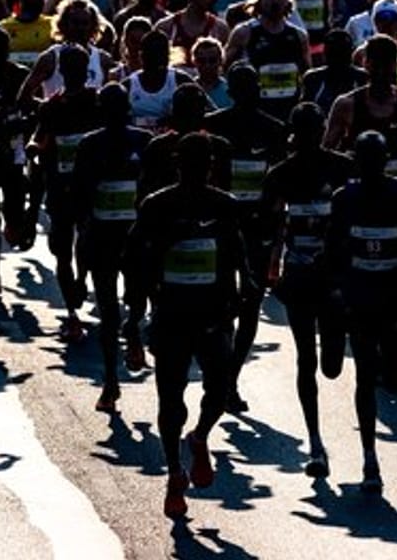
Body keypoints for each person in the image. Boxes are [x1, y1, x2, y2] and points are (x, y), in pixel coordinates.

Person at [125, 132, 255, 520]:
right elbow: (133, 259)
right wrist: (134, 318)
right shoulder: (156, 205)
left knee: (219, 389)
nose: (199, 171)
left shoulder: (225, 205)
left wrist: (247, 282)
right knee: (170, 398)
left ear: (211, 168)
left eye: (205, 165)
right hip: (171, 314)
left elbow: (236, 250)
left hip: (215, 314)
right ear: (178, 165)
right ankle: (173, 472)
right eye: (191, 165)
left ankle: (199, 437)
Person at [328, 130, 397, 492]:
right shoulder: (344, 198)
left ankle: (396, 360)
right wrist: (337, 291)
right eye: (365, 160)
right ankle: (369, 456)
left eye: (377, 160)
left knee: (393, 379)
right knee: (365, 376)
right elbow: (333, 245)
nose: (371, 166)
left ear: (387, 161)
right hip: (360, 296)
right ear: (357, 161)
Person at [261, 101, 354, 476]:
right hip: (298, 274)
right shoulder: (281, 174)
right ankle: (315, 444)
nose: (309, 141)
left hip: (334, 276)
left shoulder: (343, 167)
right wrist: (271, 267)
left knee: (332, 365)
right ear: (294, 137)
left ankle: (333, 342)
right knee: (305, 359)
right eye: (303, 136)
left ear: (323, 133)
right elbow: (268, 224)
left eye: (315, 134)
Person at [205, 64, 288, 412]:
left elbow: (280, 188)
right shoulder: (212, 127)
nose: (248, 92)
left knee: (251, 305)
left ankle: (231, 380)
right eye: (241, 86)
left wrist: (278, 241)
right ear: (233, 90)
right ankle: (220, 377)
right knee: (222, 307)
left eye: (251, 86)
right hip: (219, 229)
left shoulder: (274, 130)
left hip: (259, 229)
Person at [71, 83, 152, 412]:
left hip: (133, 237)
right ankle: (110, 381)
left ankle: (131, 335)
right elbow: (81, 202)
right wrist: (81, 267)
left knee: (131, 304)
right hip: (104, 237)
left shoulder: (144, 142)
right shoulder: (90, 145)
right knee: (109, 312)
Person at [29, 46, 104, 341]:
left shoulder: (98, 103)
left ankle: (82, 277)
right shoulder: (51, 107)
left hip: (90, 186)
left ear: (85, 71)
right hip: (59, 186)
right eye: (68, 68)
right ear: (62, 71)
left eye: (78, 68)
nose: (73, 73)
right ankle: (72, 314)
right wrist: (35, 151)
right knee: (60, 247)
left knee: (85, 240)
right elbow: (39, 137)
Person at [324, 35, 397, 173]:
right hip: (359, 185)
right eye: (376, 65)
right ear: (365, 63)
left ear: (395, 65)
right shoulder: (346, 104)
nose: (380, 72)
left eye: (385, 65)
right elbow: (327, 151)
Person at [223, 0, 312, 122]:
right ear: (260, 0)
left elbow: (307, 75)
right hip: (257, 112)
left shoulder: (299, 36)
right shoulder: (244, 33)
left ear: (288, 2)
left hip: (289, 108)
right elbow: (226, 68)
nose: (275, 2)